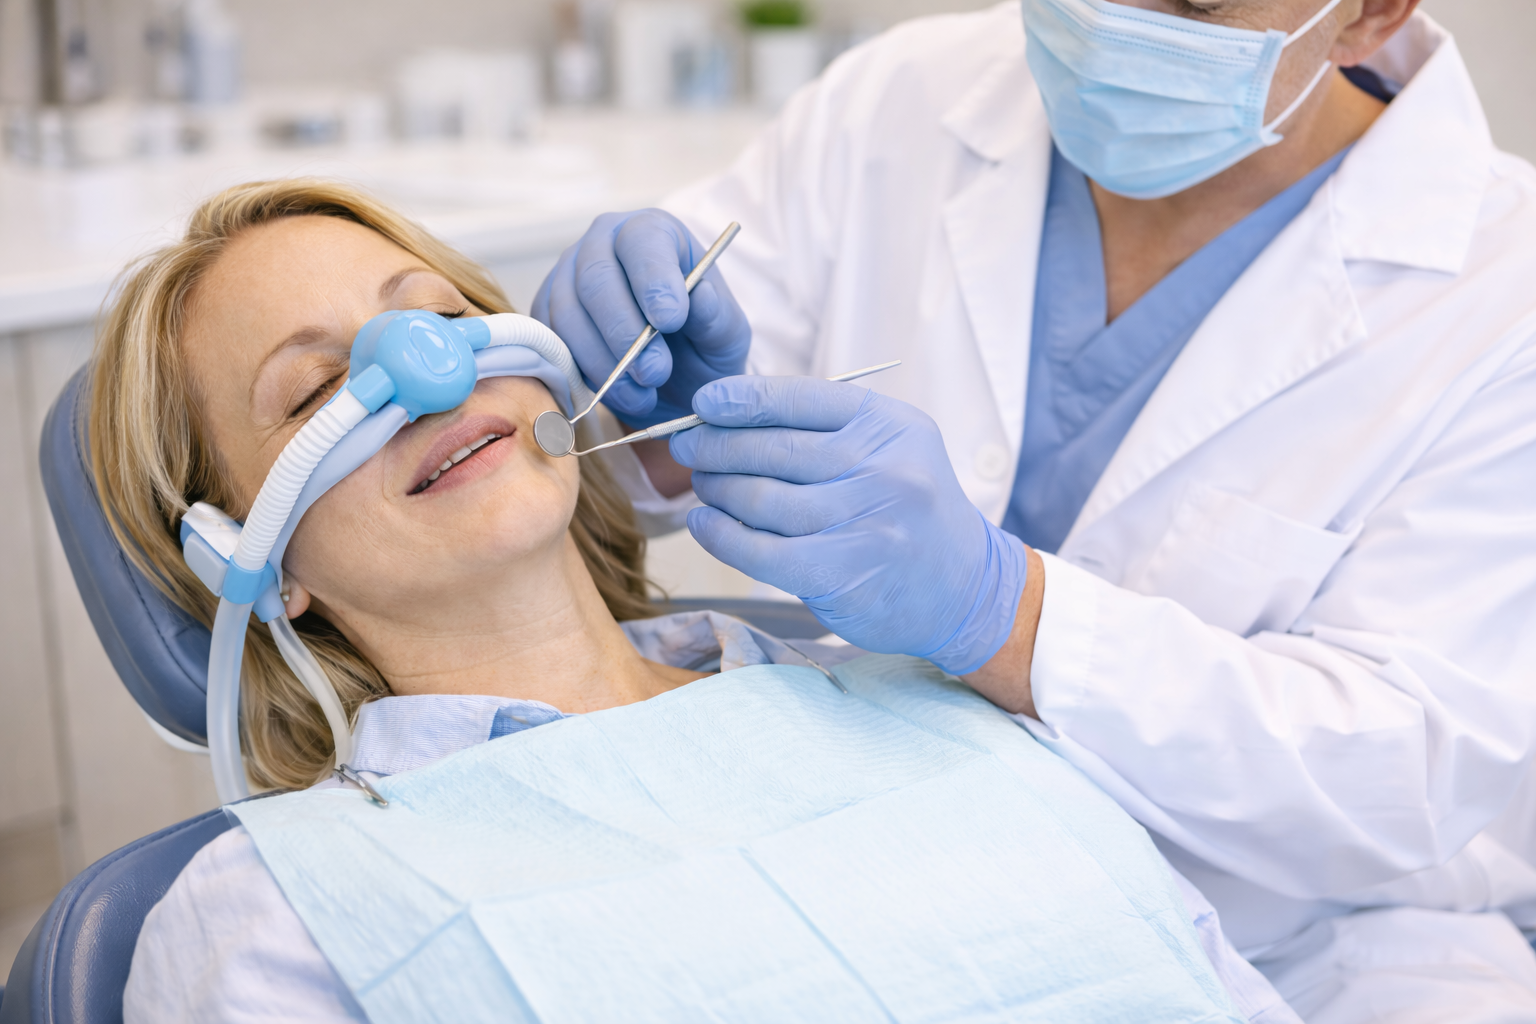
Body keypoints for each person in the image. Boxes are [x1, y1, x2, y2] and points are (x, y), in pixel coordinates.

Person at [535, 0, 1536, 1019]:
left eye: (1195, 3)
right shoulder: (905, 96)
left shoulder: (1506, 294)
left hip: (1302, 945)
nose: (1115, 19)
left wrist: (1006, 612)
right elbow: (631, 421)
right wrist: (649, 410)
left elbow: (1406, 765)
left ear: (1370, 14)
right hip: (881, 874)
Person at [101, 179, 1295, 1022]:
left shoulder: (936, 703)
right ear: (249, 557)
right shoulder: (271, 915)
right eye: (318, 389)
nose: (429, 370)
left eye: (447, 316)